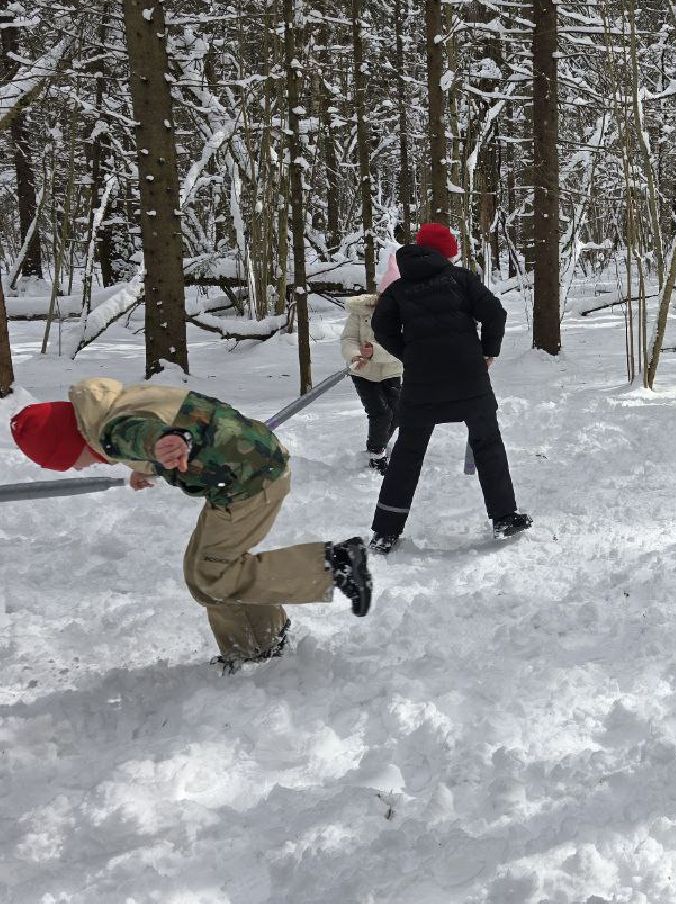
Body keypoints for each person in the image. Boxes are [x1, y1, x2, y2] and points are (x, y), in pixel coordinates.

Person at [9, 380, 372, 673]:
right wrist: (148, 466)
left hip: (251, 483)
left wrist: (163, 444)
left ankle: (334, 565)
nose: (76, 469)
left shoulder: (115, 431)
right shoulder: (110, 408)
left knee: (215, 573)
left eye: (69, 462)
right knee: (201, 571)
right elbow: (150, 427)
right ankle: (257, 642)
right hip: (241, 475)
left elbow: (146, 432)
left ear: (70, 442)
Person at [368, 222, 531, 553]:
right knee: (488, 444)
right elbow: (495, 314)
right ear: (447, 253)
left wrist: (410, 354)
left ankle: (386, 532)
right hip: (469, 377)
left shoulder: (398, 289)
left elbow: (380, 328)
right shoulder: (461, 279)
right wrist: (488, 351)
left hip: (421, 384)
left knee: (406, 454)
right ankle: (504, 517)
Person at [342, 252, 404, 472]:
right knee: (381, 412)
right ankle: (376, 453)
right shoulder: (362, 312)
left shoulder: (406, 315)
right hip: (363, 372)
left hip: (391, 370)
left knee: (396, 414)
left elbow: (401, 347)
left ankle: (378, 445)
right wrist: (355, 354)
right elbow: (348, 338)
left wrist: (374, 352)